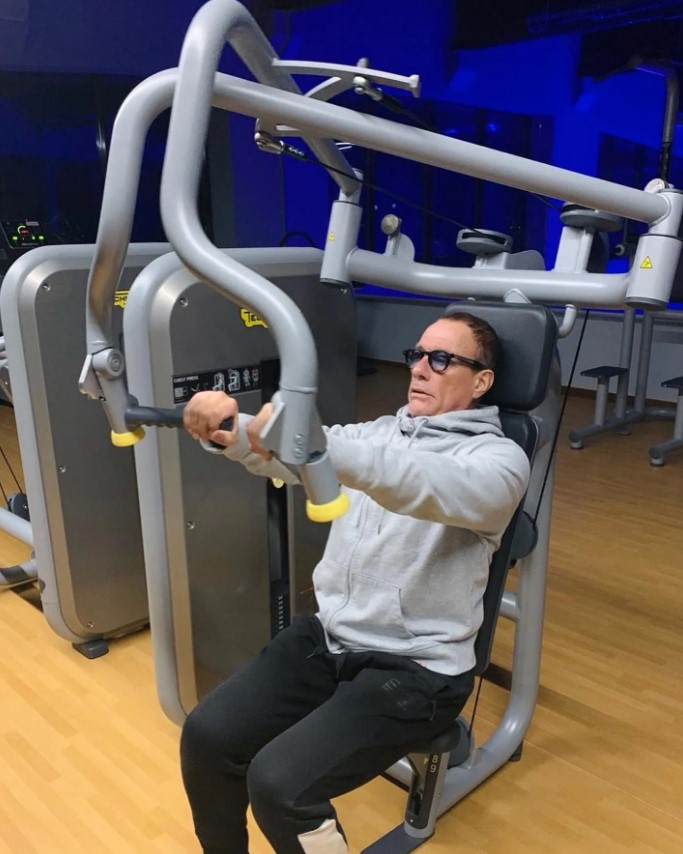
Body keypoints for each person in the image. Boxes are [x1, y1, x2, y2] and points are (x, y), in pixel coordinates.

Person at [180, 311, 530, 854]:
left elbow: (416, 481)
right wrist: (229, 429)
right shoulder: (375, 433)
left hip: (418, 667)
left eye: (441, 360)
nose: (420, 369)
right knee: (207, 737)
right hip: (332, 638)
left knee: (280, 785)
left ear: (482, 380)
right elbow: (290, 458)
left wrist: (319, 449)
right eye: (417, 355)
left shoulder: (498, 460)